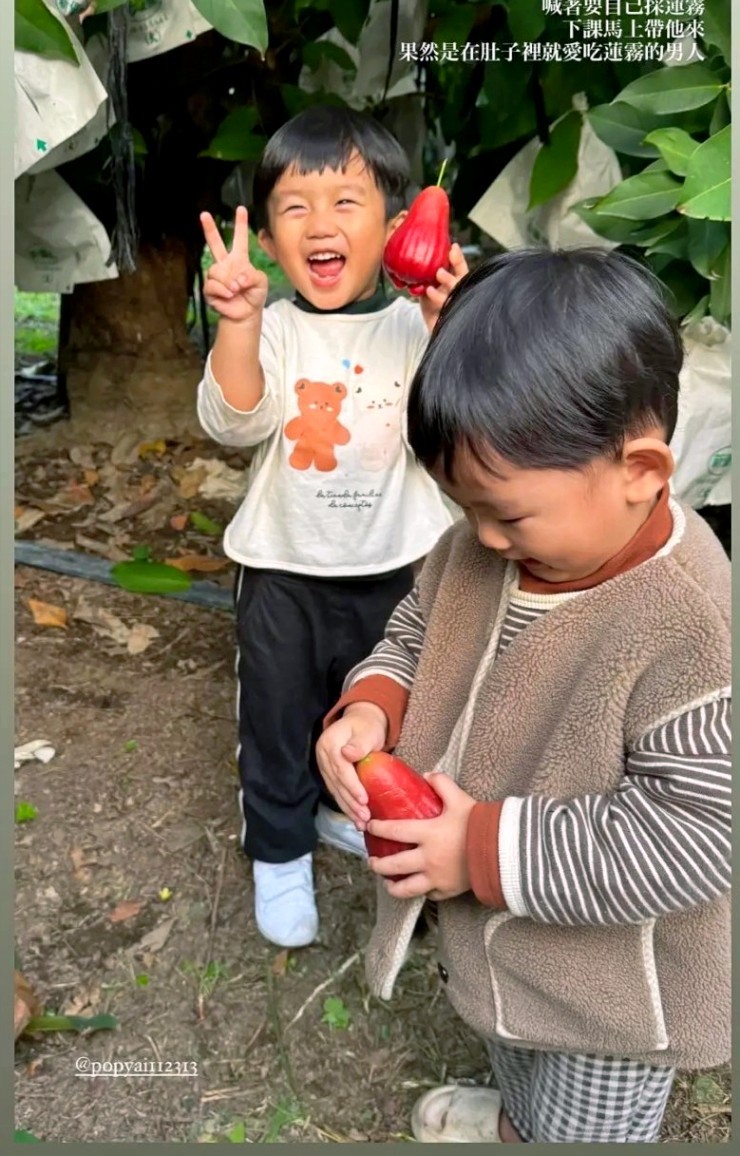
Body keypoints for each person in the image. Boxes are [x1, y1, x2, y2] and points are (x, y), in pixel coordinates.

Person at [317, 248, 730, 1144]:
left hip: (608, 997)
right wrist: (371, 706)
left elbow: (698, 838)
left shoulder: (690, 626)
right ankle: (516, 1116)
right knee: (510, 1043)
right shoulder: (490, 545)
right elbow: (417, 631)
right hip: (503, 947)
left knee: (584, 1125)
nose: (484, 538)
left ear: (641, 471)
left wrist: (483, 850)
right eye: (465, 508)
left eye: (508, 513)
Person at [196, 105, 468, 950]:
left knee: (390, 719)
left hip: (401, 569)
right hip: (283, 567)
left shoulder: (410, 326)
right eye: (295, 206)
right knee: (277, 721)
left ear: (392, 225)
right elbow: (234, 423)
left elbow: (463, 423)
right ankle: (279, 849)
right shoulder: (271, 330)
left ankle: (368, 820)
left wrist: (451, 325)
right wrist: (236, 325)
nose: (321, 224)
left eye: (347, 202)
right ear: (271, 242)